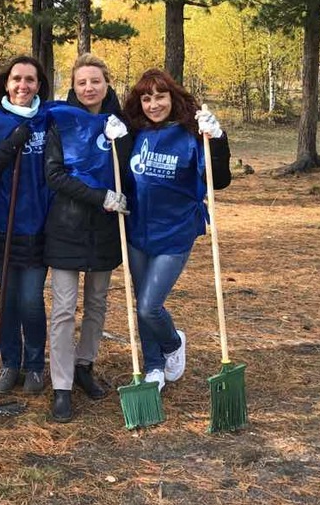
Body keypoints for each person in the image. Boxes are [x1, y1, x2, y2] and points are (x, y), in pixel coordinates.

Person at [119, 68, 231, 391]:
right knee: (141, 302)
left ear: (173, 97)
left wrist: (219, 140)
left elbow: (219, 179)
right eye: (146, 98)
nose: (153, 104)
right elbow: (120, 175)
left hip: (175, 234)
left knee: (149, 305)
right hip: (138, 230)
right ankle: (154, 366)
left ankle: (171, 343)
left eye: (160, 96)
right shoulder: (136, 133)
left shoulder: (190, 134)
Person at [43, 54, 129, 423]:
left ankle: (84, 366)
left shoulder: (121, 125)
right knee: (63, 309)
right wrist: (100, 197)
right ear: (74, 88)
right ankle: (61, 385)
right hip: (67, 226)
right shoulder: (61, 123)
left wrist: (121, 146)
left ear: (107, 83)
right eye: (82, 82)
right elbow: (54, 175)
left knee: (96, 303)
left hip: (107, 231)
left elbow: (129, 173)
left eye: (95, 80)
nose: (89, 87)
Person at [0, 55, 52, 396]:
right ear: (6, 83)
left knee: (31, 299)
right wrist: (12, 142)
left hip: (40, 224)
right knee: (8, 298)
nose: (23, 85)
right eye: (17, 79)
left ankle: (35, 365)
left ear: (38, 85)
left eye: (30, 80)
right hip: (2, 223)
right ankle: (10, 363)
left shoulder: (51, 120)